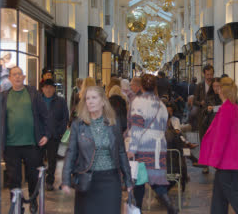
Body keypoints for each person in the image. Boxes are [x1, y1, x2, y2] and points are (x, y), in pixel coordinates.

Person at [61, 86, 133, 214]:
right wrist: (66, 179)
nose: (90, 101)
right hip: (87, 181)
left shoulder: (113, 123)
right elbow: (71, 153)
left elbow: (121, 152)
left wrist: (128, 180)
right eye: (87, 98)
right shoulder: (78, 125)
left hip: (110, 181)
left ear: (103, 101)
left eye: (94, 98)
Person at [198, 77, 238, 214]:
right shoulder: (234, 108)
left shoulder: (226, 109)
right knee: (219, 199)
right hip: (232, 159)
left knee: (235, 198)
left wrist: (214, 159)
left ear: (222, 91)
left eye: (218, 88)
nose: (216, 90)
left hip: (226, 161)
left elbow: (221, 137)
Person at [127, 74, 178, 214]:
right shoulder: (161, 105)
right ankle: (170, 205)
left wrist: (132, 148)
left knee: (139, 179)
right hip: (158, 147)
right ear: (154, 86)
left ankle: (137, 209)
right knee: (156, 180)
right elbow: (164, 127)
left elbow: (136, 127)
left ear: (142, 86)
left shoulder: (137, 102)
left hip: (143, 146)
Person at [1, 66, 49, 214]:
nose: (16, 77)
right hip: (10, 145)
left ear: (24, 77)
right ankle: (17, 205)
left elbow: (45, 115)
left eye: (19, 74)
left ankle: (33, 201)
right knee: (13, 179)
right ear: (9, 78)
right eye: (14, 75)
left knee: (33, 176)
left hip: (31, 144)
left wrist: (46, 135)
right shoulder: (3, 96)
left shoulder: (33, 94)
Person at [41, 79, 69, 191]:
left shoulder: (60, 101)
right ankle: (39, 180)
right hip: (40, 135)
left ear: (54, 89)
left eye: (51, 87)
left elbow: (65, 117)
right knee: (38, 159)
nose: (48, 89)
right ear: (42, 89)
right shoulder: (38, 100)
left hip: (54, 136)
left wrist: (60, 131)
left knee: (52, 159)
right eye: (46, 87)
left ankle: (49, 181)